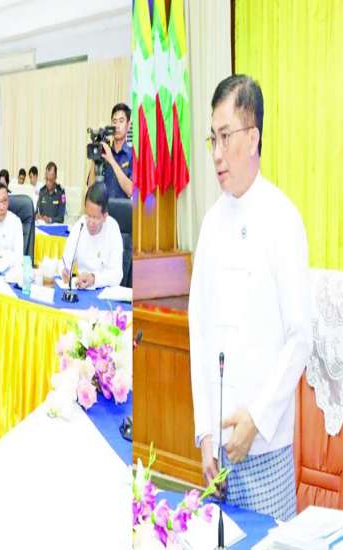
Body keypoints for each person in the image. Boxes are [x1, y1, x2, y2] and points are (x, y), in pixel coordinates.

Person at [189, 75, 311, 522]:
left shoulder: (282, 218)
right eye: (213, 139)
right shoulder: (210, 223)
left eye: (226, 137)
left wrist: (256, 419)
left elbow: (300, 338)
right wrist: (206, 433)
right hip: (217, 455)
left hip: (264, 449)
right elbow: (199, 330)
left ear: (253, 137)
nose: (217, 154)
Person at [60, 182, 122, 289]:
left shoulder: (112, 228)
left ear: (105, 216)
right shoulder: (80, 225)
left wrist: (94, 279)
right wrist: (64, 270)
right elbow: (65, 261)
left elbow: (117, 275)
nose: (91, 222)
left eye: (96, 218)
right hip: (80, 289)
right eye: (88, 216)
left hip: (104, 290)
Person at [88, 103, 133, 199]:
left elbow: (131, 190)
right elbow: (91, 188)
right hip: (103, 208)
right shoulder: (104, 152)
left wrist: (111, 160)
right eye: (114, 121)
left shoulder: (132, 155)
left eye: (121, 121)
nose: (117, 126)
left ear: (128, 125)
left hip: (122, 208)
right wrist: (95, 157)